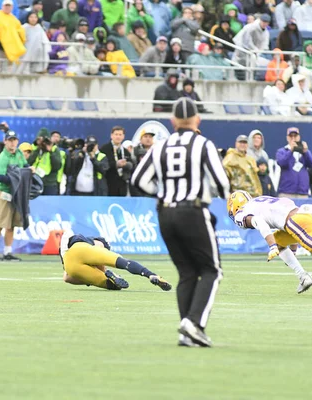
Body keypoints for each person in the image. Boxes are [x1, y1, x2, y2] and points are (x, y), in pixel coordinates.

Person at [131, 97, 230, 348]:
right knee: (211, 271)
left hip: (165, 213)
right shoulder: (203, 144)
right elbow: (222, 183)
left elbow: (138, 180)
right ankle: (193, 323)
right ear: (197, 119)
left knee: (186, 273)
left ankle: (186, 333)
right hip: (193, 211)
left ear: (172, 121)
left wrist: (164, 194)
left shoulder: (160, 146)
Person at [228, 191, 312, 294]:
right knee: (279, 241)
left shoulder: (242, 213)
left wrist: (271, 246)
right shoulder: (259, 200)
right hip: (299, 217)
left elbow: (259, 221)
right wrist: (291, 253)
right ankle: (303, 276)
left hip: (296, 223)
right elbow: (286, 222)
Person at [60, 232, 172, 290]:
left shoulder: (72, 242)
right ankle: (151, 275)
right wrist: (105, 271)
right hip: (80, 250)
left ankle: (110, 279)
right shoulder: (98, 242)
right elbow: (99, 250)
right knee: (124, 263)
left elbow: (67, 277)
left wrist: (89, 280)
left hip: (70, 265)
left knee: (113, 285)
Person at [0, 131, 29, 261]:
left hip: (16, 193)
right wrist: (16, 180)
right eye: (10, 140)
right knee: (0, 223)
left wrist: (29, 170)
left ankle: (7, 252)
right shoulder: (3, 157)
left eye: (14, 140)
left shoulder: (20, 154)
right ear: (5, 141)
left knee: (12, 224)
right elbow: (0, 177)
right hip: (5, 192)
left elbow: (25, 167)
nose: (12, 142)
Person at [276, 127, 312, 198]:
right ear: (287, 138)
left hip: (302, 192)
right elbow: (281, 162)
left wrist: (305, 152)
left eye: (295, 136)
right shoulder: (282, 151)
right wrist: (290, 151)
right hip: (286, 192)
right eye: (291, 136)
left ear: (299, 137)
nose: (293, 138)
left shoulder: (304, 151)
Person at [99, 126, 134, 197]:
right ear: (111, 135)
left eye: (120, 135)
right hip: (108, 184)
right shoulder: (104, 149)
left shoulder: (125, 151)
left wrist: (128, 165)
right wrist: (116, 164)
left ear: (123, 136)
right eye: (116, 134)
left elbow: (131, 165)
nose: (118, 137)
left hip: (122, 186)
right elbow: (101, 166)